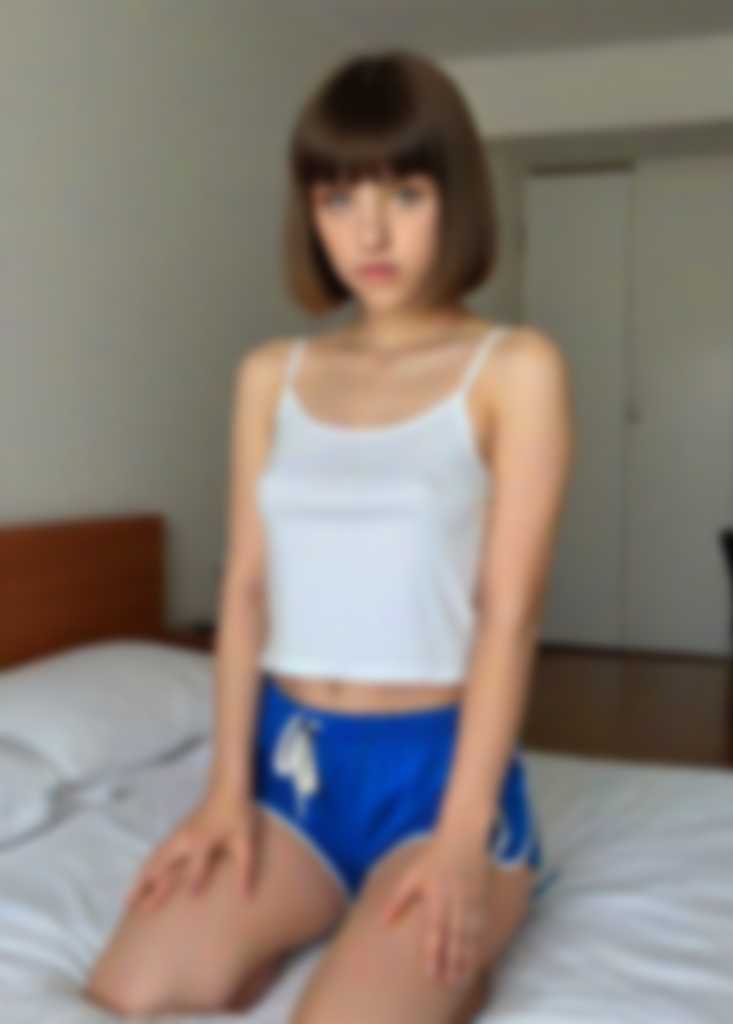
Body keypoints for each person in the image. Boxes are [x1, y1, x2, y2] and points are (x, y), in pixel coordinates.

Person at [83, 48, 573, 1022]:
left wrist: (462, 839)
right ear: (310, 211)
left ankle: (451, 953)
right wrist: (224, 792)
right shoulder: (272, 374)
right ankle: (316, 932)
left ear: (455, 199)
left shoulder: (514, 368)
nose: (370, 233)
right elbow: (244, 591)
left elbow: (508, 616)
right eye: (338, 198)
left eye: (405, 193)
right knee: (126, 994)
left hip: (436, 779)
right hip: (291, 771)